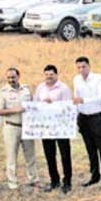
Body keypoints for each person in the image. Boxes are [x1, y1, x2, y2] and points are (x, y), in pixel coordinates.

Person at [0, 67, 38, 190]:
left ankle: (33, 179)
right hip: (11, 127)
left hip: (27, 127)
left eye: (13, 77)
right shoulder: (2, 92)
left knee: (30, 155)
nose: (11, 80)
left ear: (18, 76)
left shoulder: (27, 89)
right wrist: (15, 110)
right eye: (8, 77)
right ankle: (13, 183)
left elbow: (34, 105)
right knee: (11, 156)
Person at [73, 56, 101, 188]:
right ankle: (94, 176)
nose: (81, 69)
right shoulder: (76, 79)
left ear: (89, 66)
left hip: (95, 117)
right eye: (78, 67)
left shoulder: (99, 78)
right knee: (90, 149)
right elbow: (76, 98)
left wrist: (84, 100)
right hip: (83, 117)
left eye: (83, 66)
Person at [34, 65, 73, 194]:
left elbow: (68, 107)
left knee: (64, 154)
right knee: (50, 155)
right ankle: (54, 181)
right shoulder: (40, 88)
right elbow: (35, 105)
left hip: (61, 126)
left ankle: (67, 181)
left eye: (51, 74)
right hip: (46, 127)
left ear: (56, 75)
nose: (49, 77)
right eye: (46, 75)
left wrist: (53, 104)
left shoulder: (64, 88)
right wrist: (42, 104)